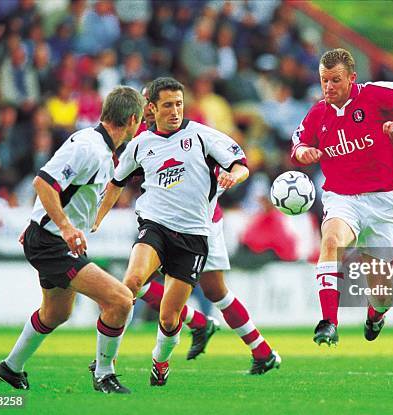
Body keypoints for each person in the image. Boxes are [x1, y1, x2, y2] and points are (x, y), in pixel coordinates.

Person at [103, 83, 280, 374]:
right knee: (135, 281)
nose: (166, 110)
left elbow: (239, 162)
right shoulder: (143, 142)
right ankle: (199, 325)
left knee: (215, 291)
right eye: (162, 104)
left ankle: (258, 349)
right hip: (161, 225)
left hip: (203, 225)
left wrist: (233, 176)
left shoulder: (196, 133)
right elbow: (119, 179)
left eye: (177, 104)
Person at [0, 86, 145, 393]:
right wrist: (63, 227)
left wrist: (58, 222)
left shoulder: (102, 150)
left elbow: (63, 191)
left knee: (56, 313)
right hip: (51, 242)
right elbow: (44, 182)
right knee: (119, 300)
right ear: (132, 120)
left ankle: (10, 368)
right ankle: (104, 375)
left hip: (49, 238)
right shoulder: (88, 148)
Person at [291, 48, 393, 345]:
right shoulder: (319, 113)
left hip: (383, 202)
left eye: (336, 80)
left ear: (352, 78)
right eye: (324, 80)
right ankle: (328, 321)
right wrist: (305, 152)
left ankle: (375, 315)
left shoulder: (377, 96)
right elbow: (299, 143)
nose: (328, 87)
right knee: (330, 242)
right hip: (342, 198)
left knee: (382, 294)